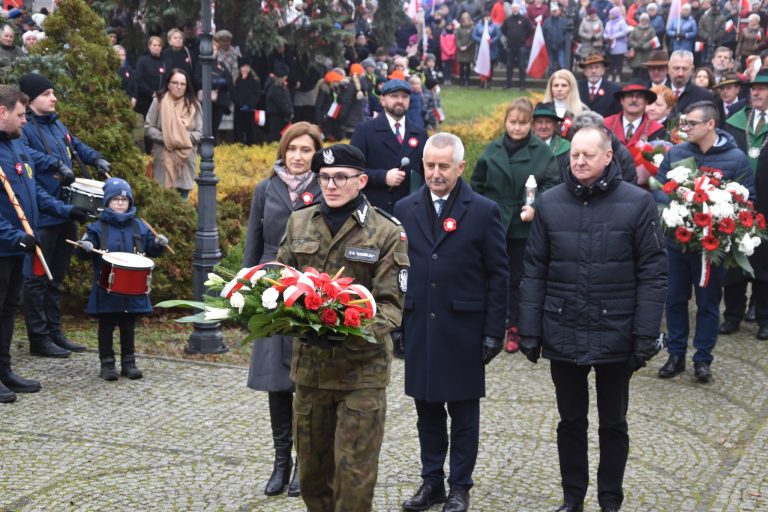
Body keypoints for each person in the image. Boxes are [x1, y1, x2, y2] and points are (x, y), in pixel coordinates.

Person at [518, 125, 668, 512]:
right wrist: (530, 329)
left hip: (615, 331)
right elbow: (534, 270)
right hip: (563, 326)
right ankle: (573, 498)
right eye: (574, 155)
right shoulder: (550, 203)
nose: (579, 161)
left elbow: (653, 273)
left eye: (588, 155)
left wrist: (645, 336)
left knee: (613, 423)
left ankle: (609, 500)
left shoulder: (638, 203)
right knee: (570, 422)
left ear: (607, 157)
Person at [276, 143, 409, 512]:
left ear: (362, 181)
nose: (331, 185)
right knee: (313, 477)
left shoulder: (386, 232)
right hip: (311, 371)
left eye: (340, 177)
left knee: (354, 477)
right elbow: (280, 284)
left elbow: (391, 306)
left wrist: (348, 326)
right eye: (324, 178)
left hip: (360, 373)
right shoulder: (299, 222)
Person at [395, 133, 508, 512]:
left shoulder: (483, 210)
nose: (436, 173)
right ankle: (432, 483)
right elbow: (396, 270)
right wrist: (397, 323)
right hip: (420, 325)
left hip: (464, 328)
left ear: (460, 167)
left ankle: (460, 486)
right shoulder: (406, 207)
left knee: (463, 415)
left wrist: (494, 331)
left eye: (444, 166)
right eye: (430, 165)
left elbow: (498, 275)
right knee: (426, 411)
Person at [243, 122, 323, 498]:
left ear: (315, 154)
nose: (297, 156)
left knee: (306, 381)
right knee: (277, 382)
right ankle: (280, 462)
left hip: (311, 289)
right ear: (283, 150)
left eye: (306, 150)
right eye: (292, 149)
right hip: (271, 289)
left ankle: (304, 464)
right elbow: (253, 243)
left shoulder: (326, 188)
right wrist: (243, 290)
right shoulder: (266, 188)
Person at [653, 101, 755, 382]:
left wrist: (718, 212)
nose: (684, 128)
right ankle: (676, 354)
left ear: (710, 125)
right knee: (674, 299)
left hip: (711, 248)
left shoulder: (735, 158)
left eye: (691, 124)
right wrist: (680, 206)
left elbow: (748, 199)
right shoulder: (676, 153)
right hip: (676, 244)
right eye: (683, 123)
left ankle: (702, 359)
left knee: (709, 303)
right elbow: (660, 190)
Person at [0, 85, 84, 403]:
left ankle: (4, 370)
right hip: (5, 246)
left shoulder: (17, 145)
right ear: (2, 112)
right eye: (20, 115)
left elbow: (33, 193)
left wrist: (65, 210)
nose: (25, 121)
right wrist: (14, 236)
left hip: (20, 246)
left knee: (8, 310)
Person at [19, 73, 110, 358]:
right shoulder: (24, 128)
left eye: (53, 93)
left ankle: (55, 331)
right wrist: (56, 163)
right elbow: (27, 156)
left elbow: (76, 144)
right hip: (43, 216)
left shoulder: (57, 124)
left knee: (56, 277)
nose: (53, 98)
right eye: (47, 93)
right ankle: (39, 337)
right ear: (32, 100)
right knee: (36, 279)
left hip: (66, 212)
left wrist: (95, 158)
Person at [471, 98, 559, 354]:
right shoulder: (492, 150)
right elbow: (477, 184)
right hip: (494, 221)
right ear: (505, 122)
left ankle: (516, 325)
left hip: (523, 224)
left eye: (523, 123)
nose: (517, 128)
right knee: (492, 274)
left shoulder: (541, 152)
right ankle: (491, 324)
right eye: (513, 122)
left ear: (530, 124)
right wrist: (481, 211)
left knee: (519, 277)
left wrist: (536, 205)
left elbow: (553, 183)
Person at [77, 178, 167, 381]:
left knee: (128, 326)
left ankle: (129, 363)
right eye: (115, 199)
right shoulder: (97, 227)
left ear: (130, 203)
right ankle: (107, 364)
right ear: (107, 202)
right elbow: (84, 251)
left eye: (124, 200)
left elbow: (150, 249)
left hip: (132, 289)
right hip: (106, 288)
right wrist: (85, 246)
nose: (120, 203)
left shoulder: (139, 227)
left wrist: (158, 244)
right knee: (106, 326)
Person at [722, 69, 768, 340]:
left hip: (767, 206)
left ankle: (764, 317)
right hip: (736, 206)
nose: (757, 92)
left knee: (765, 264)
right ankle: (732, 316)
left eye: (763, 89)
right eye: (754, 88)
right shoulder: (736, 122)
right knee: (733, 263)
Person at [350, 78, 427, 214]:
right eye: (394, 96)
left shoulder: (419, 133)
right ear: (383, 100)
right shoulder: (365, 131)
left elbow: (425, 171)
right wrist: (383, 177)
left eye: (404, 96)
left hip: (410, 210)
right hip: (375, 210)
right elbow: (351, 170)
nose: (400, 100)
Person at [144, 69, 202, 200]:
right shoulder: (158, 101)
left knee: (182, 206)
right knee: (162, 204)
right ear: (168, 84)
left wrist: (179, 137)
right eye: (175, 83)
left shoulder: (194, 105)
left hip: (185, 163)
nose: (179, 86)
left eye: (182, 84)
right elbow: (148, 127)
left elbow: (200, 133)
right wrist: (167, 138)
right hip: (163, 159)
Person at [604, 81, 667, 148]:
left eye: (639, 96)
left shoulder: (657, 130)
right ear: (622, 100)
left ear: (646, 102)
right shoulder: (605, 125)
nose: (634, 100)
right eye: (629, 95)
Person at [668, 50, 716, 121]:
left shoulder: (704, 96)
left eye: (685, 69)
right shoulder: (657, 92)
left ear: (692, 70)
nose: (680, 73)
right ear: (668, 68)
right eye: (676, 68)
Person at [543, 70, 587, 139]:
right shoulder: (542, 109)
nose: (559, 89)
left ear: (571, 87)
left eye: (564, 85)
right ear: (551, 88)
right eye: (556, 85)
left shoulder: (583, 111)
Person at [231, 56, 264, 145]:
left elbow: (256, 94)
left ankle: (251, 146)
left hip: (250, 110)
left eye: (247, 67)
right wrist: (240, 104)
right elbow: (233, 94)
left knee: (251, 131)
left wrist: (249, 104)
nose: (245, 69)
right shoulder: (236, 80)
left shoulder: (255, 80)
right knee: (238, 131)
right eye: (243, 67)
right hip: (239, 110)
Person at [577, 53, 621, 118]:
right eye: (590, 68)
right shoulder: (577, 87)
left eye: (597, 67)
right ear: (585, 72)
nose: (593, 71)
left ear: (603, 70)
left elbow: (617, 115)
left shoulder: (614, 89)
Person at [502, 3, 533, 90]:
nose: (515, 9)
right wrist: (509, 36)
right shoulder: (508, 19)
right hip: (510, 46)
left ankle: (522, 84)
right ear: (512, 9)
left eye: (516, 8)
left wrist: (523, 37)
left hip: (521, 46)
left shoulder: (524, 19)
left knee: (522, 66)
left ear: (519, 9)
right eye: (513, 8)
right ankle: (508, 84)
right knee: (509, 65)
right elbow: (503, 30)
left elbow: (530, 30)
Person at [533, 102, 571, 170]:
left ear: (555, 124)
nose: (543, 126)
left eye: (548, 122)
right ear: (533, 124)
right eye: (539, 122)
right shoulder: (524, 147)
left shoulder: (566, 148)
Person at [603, 6, 629, 82]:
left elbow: (625, 31)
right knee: (611, 61)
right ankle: (611, 74)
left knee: (619, 61)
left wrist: (614, 36)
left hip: (619, 45)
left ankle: (618, 75)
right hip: (610, 46)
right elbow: (605, 32)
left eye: (611, 14)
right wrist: (607, 37)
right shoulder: (608, 23)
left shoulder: (621, 22)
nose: (609, 16)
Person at [627, 13, 657, 80]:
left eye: (646, 20)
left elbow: (654, 40)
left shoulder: (651, 30)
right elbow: (630, 40)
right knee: (636, 71)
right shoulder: (635, 29)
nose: (644, 21)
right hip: (637, 53)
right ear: (640, 20)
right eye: (642, 20)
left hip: (647, 53)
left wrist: (646, 46)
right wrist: (636, 45)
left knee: (645, 70)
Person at [543, 5, 568, 75]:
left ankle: (564, 78)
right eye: (553, 11)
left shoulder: (564, 22)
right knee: (551, 66)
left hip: (560, 47)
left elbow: (567, 34)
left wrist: (563, 40)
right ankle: (550, 80)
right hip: (549, 47)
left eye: (556, 11)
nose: (554, 13)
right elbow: (543, 34)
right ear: (551, 12)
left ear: (559, 11)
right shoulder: (546, 22)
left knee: (562, 64)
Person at [455, 12, 476, 86]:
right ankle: (461, 80)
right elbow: (457, 39)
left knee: (467, 66)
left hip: (469, 50)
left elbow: (473, 39)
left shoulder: (472, 28)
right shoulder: (459, 28)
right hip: (460, 50)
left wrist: (467, 46)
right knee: (461, 66)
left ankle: (467, 80)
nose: (465, 21)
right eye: (464, 19)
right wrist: (460, 46)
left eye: (466, 19)